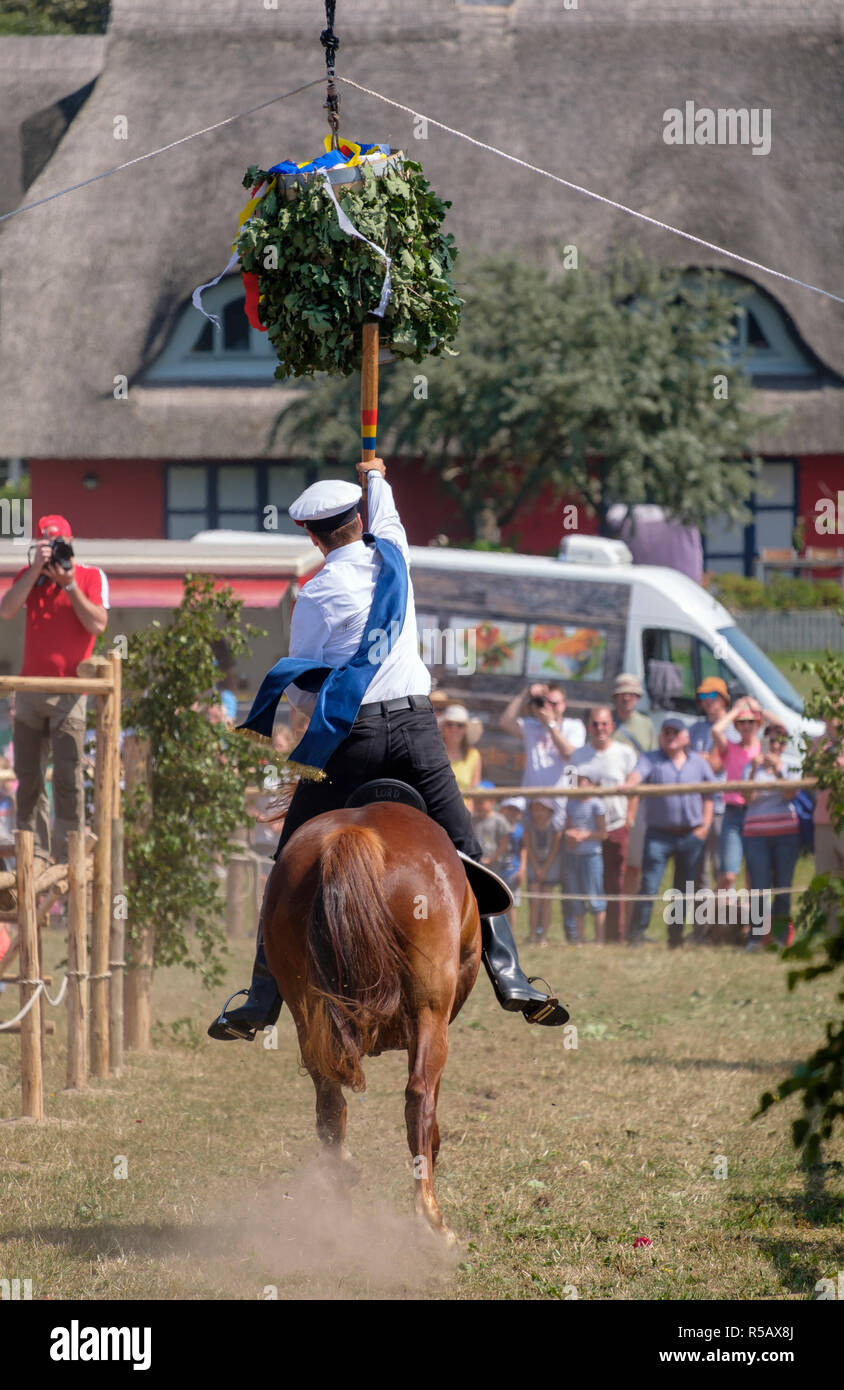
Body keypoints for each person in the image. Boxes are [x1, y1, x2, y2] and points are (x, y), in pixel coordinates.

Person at [209, 460, 566, 1040]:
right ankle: (510, 974)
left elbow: (302, 691)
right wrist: (375, 473)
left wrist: (326, 701)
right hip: (419, 733)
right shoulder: (395, 553)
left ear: (312, 535)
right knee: (467, 847)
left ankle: (263, 997)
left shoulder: (317, 593)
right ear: (360, 521)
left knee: (287, 865)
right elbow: (391, 512)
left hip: (351, 742)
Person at [0, 514, 108, 866]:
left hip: (70, 692)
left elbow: (98, 624)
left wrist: (69, 585)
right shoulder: (30, 578)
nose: (54, 552)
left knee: (67, 774)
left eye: (59, 545)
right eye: (47, 546)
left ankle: (68, 855)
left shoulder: (90, 576)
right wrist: (35, 571)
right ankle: (36, 855)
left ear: (70, 544)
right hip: (30, 691)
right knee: (28, 777)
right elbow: (7, 610)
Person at [624, 717, 715, 948]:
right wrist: (630, 784)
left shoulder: (699, 763)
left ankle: (675, 939)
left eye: (675, 732)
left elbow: (711, 796)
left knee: (683, 890)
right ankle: (636, 936)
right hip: (659, 834)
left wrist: (704, 826)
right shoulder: (650, 759)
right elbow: (636, 776)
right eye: (666, 731)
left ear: (686, 737)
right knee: (649, 885)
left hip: (691, 835)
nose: (670, 736)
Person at [567, 706, 637, 943]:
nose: (600, 728)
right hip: (585, 832)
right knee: (585, 884)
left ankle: (614, 936)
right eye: (595, 724)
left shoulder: (625, 753)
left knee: (615, 881)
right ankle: (581, 937)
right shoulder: (578, 756)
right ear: (589, 727)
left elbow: (633, 788)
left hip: (616, 824)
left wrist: (630, 817)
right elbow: (569, 789)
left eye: (604, 724)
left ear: (612, 726)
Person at [710, 696, 780, 898]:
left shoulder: (763, 746)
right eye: (742, 722)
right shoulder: (730, 748)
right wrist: (736, 710)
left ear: (757, 724)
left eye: (751, 722)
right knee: (728, 875)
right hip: (733, 813)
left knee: (754, 875)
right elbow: (716, 730)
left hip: (756, 812)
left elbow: (780, 727)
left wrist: (759, 709)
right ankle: (710, 921)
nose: (746, 726)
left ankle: (751, 925)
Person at [741, 724, 802, 950]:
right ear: (763, 742)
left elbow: (789, 794)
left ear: (785, 746)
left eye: (780, 741)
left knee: (783, 887)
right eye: (771, 740)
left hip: (786, 834)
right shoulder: (750, 767)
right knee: (758, 886)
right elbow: (747, 798)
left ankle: (780, 938)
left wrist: (778, 771)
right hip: (756, 834)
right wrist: (754, 771)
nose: (775, 745)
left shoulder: (791, 767)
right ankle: (756, 938)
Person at [612, 674, 658, 919]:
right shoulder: (605, 723)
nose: (626, 698)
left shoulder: (646, 725)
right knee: (612, 867)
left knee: (633, 866)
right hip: (611, 802)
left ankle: (628, 920)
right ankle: (613, 923)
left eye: (631, 694)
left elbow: (650, 762)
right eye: (622, 694)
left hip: (637, 801)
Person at [688, 677, 734, 908]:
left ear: (724, 699)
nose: (707, 701)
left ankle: (723, 924)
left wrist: (699, 759)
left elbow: (716, 764)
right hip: (696, 807)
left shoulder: (733, 728)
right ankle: (702, 927)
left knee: (722, 868)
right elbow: (684, 757)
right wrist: (703, 758)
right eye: (703, 697)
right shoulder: (695, 728)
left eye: (712, 696)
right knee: (699, 870)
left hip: (721, 807)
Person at [500, 681, 586, 792]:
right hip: (534, 801)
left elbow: (569, 754)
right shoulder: (531, 726)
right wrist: (526, 693)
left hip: (564, 800)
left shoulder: (574, 726)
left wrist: (550, 724)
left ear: (563, 705)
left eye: (553, 704)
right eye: (545, 703)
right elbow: (505, 722)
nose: (549, 707)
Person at [562, 774, 608, 945]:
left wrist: (585, 835)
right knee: (576, 898)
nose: (581, 785)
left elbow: (603, 833)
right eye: (579, 782)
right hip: (573, 856)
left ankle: (599, 940)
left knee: (595, 897)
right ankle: (579, 940)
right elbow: (566, 828)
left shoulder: (597, 804)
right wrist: (570, 835)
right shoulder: (571, 804)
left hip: (591, 856)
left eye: (585, 782)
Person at [522, 798, 562, 947]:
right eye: (535, 809)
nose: (538, 813)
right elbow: (528, 848)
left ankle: (543, 937)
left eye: (542, 809)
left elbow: (555, 849)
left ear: (549, 811)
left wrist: (544, 868)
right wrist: (537, 868)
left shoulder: (554, 826)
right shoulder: (528, 826)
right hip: (534, 865)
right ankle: (532, 935)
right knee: (534, 902)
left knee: (546, 902)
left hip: (550, 865)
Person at [440, 703, 482, 798]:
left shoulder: (474, 755)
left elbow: (473, 792)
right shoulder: (434, 752)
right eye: (449, 724)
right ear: (443, 728)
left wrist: (468, 812)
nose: (454, 729)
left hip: (464, 810)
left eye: (459, 725)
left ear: (465, 729)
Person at [471, 782, 511, 878]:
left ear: (492, 801)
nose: (478, 805)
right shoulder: (472, 820)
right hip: (476, 863)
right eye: (475, 802)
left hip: (494, 865)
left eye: (481, 802)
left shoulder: (499, 820)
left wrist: (490, 859)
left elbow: (504, 845)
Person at [499, 797, 525, 930]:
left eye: (516, 810)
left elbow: (523, 851)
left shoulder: (520, 830)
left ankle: (511, 933)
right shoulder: (498, 825)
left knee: (511, 904)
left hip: (512, 869)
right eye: (510, 809)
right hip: (497, 868)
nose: (512, 813)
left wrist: (521, 870)